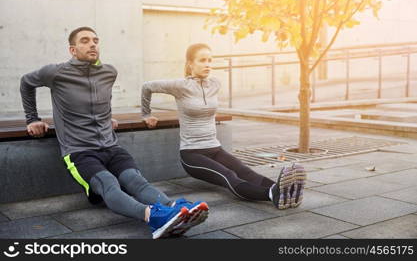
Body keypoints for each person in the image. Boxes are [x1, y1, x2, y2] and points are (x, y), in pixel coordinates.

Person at [20, 27, 208, 239]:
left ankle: (175, 209)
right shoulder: (55, 73)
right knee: (109, 183)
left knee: (136, 181)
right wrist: (32, 118)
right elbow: (26, 83)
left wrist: (105, 116)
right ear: (72, 49)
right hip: (79, 151)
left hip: (110, 146)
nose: (92, 44)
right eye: (85, 41)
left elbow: (102, 99)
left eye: (95, 40)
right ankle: (153, 217)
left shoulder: (109, 72)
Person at [141, 43, 306, 210]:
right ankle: (272, 195)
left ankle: (283, 191)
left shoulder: (214, 84)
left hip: (214, 148)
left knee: (245, 171)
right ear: (190, 63)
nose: (208, 64)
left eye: (210, 60)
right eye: (202, 60)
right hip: (192, 153)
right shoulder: (180, 86)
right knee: (229, 176)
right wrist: (146, 114)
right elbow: (147, 86)